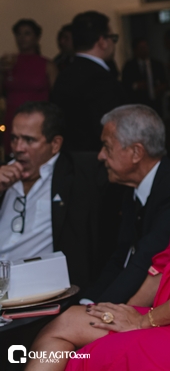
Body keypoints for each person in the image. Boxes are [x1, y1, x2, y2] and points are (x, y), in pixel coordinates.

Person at [29, 87, 170, 371]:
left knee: (86, 358)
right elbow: (165, 261)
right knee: (63, 323)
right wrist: (127, 312)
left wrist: (142, 321)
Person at [80, 104, 170, 304]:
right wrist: (88, 302)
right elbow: (121, 257)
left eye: (107, 147)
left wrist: (97, 313)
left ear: (136, 152)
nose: (101, 155)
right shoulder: (130, 190)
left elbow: (146, 259)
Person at [0, 101, 120, 288]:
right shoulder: (3, 176)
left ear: (55, 144)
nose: (18, 148)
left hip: (40, 291)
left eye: (29, 140)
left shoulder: (80, 173)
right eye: (14, 138)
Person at [50, 11, 127, 152]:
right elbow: (111, 130)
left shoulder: (64, 75)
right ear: (102, 41)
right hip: (97, 157)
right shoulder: (100, 78)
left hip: (70, 156)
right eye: (113, 38)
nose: (113, 43)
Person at [1, 19, 58, 157]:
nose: (22, 38)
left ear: (36, 37)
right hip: (12, 117)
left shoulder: (47, 65)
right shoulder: (8, 63)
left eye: (27, 33)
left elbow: (57, 95)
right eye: (19, 34)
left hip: (38, 119)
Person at [121, 37, 167, 114]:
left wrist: (160, 88)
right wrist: (136, 85)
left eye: (145, 47)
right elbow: (125, 84)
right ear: (135, 50)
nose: (144, 50)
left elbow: (165, 82)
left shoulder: (157, 64)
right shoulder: (129, 66)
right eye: (141, 48)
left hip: (155, 104)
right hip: (137, 104)